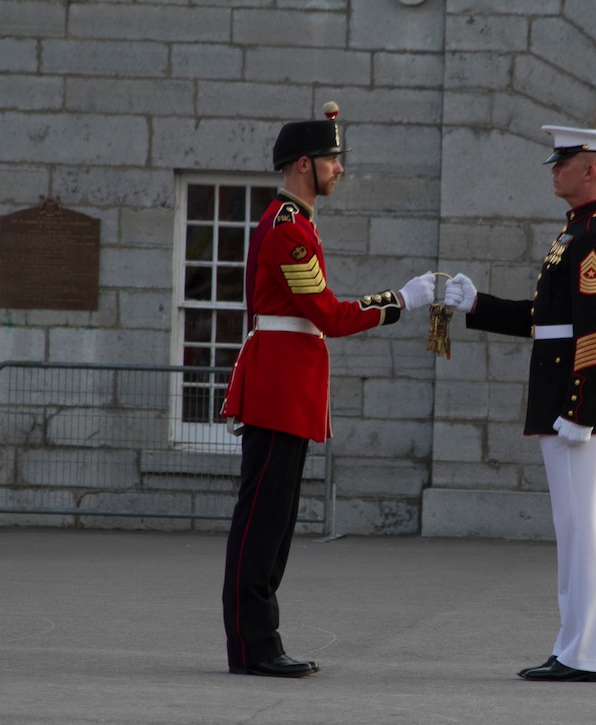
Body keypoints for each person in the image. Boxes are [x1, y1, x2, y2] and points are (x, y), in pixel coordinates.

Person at [219, 102, 435, 678]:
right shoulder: (288, 230)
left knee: (277, 525)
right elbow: (330, 317)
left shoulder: (299, 224)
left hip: (290, 389)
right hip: (277, 391)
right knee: (262, 525)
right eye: (333, 159)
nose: (340, 169)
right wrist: (402, 300)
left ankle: (260, 642)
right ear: (303, 165)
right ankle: (253, 646)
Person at [444, 124, 596, 682]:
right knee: (572, 528)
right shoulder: (575, 232)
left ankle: (587, 653)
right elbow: (545, 318)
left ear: (590, 167)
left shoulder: (595, 233)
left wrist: (578, 408)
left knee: (582, 531)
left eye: (563, 160)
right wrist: (479, 305)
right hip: (562, 397)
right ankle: (574, 646)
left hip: (574, 404)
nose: (554, 169)